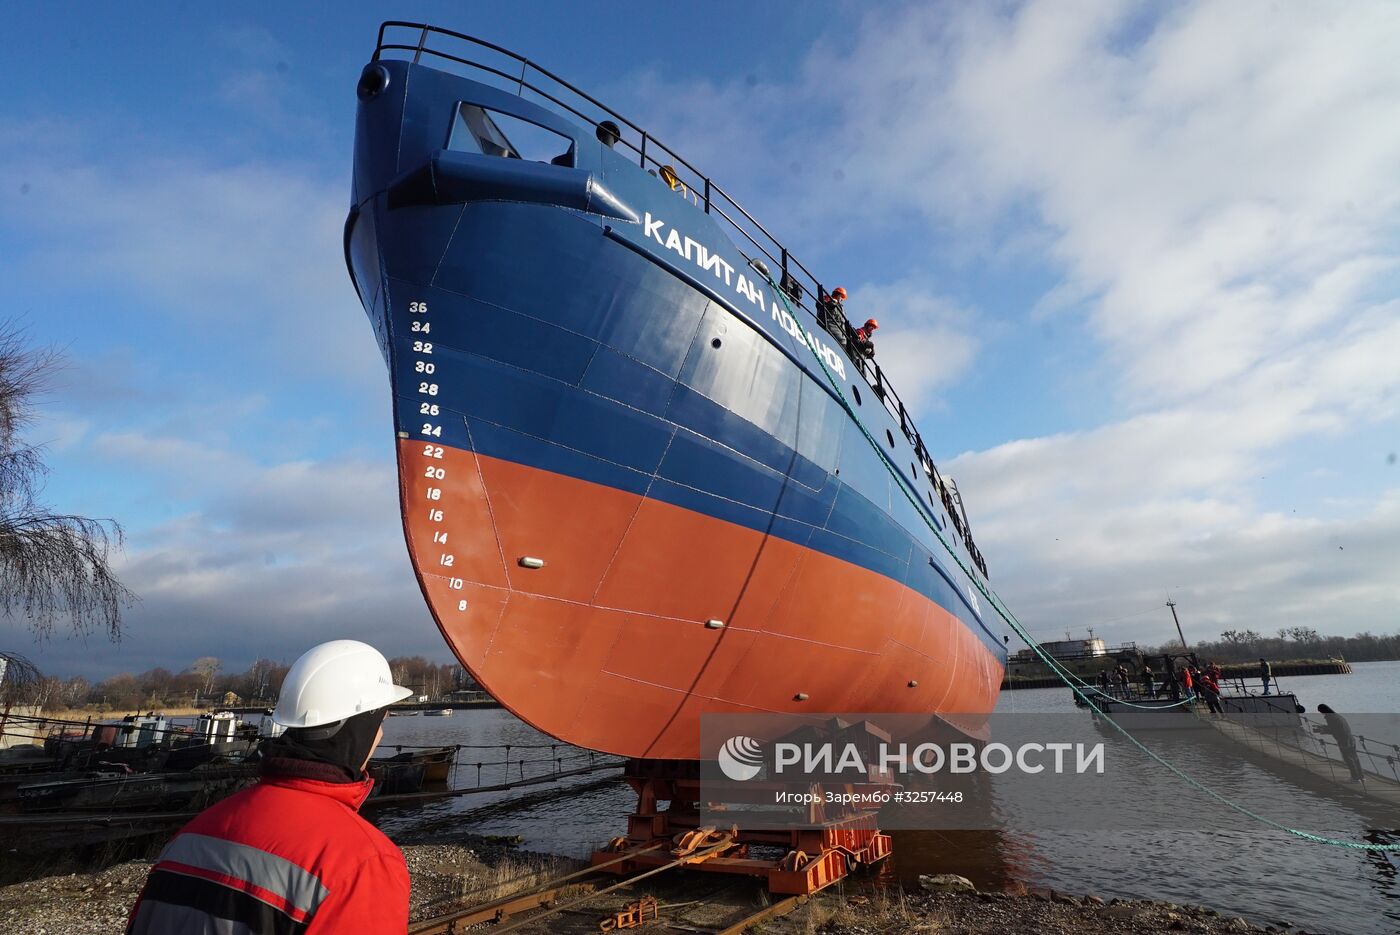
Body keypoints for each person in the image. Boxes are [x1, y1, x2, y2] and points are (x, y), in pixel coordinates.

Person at [125, 640, 414, 934]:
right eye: (379, 721)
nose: (380, 736)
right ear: (360, 730)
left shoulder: (189, 837)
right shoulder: (363, 864)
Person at [1314, 704, 1364, 782]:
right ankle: (1361, 777)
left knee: (1349, 759)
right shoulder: (1337, 715)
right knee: (1355, 758)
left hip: (1344, 740)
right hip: (1351, 739)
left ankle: (1355, 778)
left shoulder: (1329, 717)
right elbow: (1336, 727)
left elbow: (1333, 730)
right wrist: (1323, 727)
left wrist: (1321, 730)